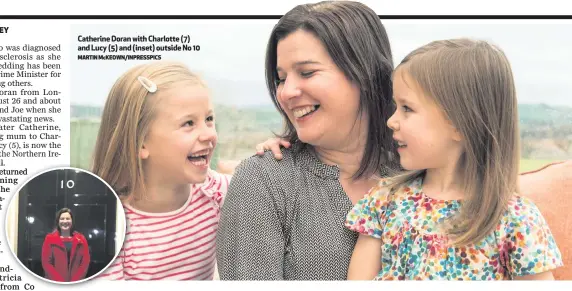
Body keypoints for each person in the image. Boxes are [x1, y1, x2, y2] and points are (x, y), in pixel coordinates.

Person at [345, 38, 563, 280]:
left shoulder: (517, 220)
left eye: (407, 108)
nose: (391, 121)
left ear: (460, 124)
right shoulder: (384, 200)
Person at [216, 1, 399, 280]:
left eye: (307, 72)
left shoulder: (416, 174)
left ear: (364, 73)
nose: (286, 92)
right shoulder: (262, 181)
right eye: (280, 78)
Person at [92, 61, 284, 280]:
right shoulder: (108, 226)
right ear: (140, 143)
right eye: (188, 124)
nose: (208, 135)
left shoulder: (217, 193)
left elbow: (272, 194)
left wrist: (272, 158)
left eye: (209, 119)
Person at [41, 208, 90, 282]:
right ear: (58, 221)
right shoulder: (49, 239)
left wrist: (74, 282)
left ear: (72, 221)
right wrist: (60, 283)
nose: (65, 221)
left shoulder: (81, 239)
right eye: (62, 219)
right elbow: (46, 263)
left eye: (68, 218)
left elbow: (84, 263)